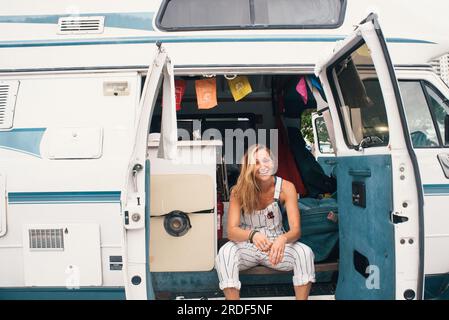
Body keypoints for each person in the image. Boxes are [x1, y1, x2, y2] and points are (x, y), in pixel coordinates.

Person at [215, 144, 315, 300]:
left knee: (304, 252)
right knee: (225, 254)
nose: (263, 166)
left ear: (273, 163)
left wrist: (282, 239)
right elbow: (232, 231)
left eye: (266, 160)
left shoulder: (287, 187)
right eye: (256, 162)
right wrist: (253, 235)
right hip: (247, 242)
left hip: (275, 245)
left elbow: (296, 230)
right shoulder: (238, 190)